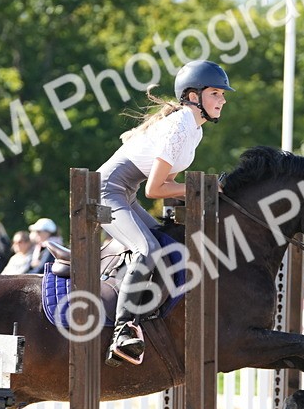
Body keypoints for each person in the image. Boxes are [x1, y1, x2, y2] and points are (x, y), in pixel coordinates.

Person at [96, 59, 232, 366]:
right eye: (215, 93)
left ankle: (148, 318)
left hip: (124, 191)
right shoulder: (179, 127)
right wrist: (201, 189)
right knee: (146, 249)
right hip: (106, 190)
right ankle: (122, 331)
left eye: (222, 94)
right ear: (194, 96)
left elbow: (166, 182)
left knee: (163, 240)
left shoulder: (194, 130)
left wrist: (197, 189)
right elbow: (155, 190)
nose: (223, 99)